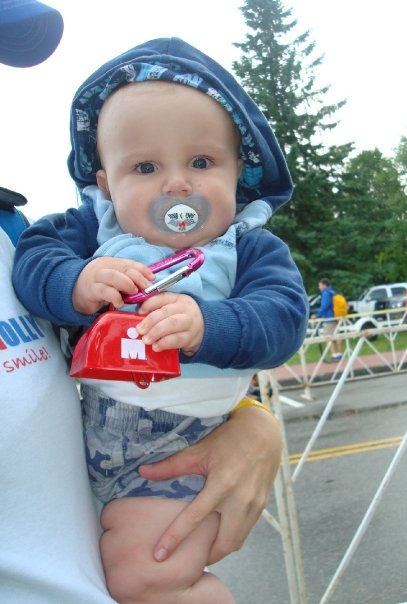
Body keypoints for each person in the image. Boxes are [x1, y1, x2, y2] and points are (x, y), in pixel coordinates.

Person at [1, 4, 287, 603]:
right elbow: (35, 261)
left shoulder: (246, 245)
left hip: (189, 437)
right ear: (105, 182)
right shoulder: (87, 233)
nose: (176, 184)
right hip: (106, 430)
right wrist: (76, 284)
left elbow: (283, 317)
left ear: (240, 174)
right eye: (145, 166)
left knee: (145, 572)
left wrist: (210, 324)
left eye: (203, 162)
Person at [311, 277, 342, 362]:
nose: (319, 288)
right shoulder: (332, 292)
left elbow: (324, 306)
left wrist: (317, 315)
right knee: (337, 335)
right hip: (336, 316)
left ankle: (334, 355)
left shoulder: (326, 293)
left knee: (327, 336)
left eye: (320, 285)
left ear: (324, 285)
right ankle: (340, 354)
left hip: (329, 318)